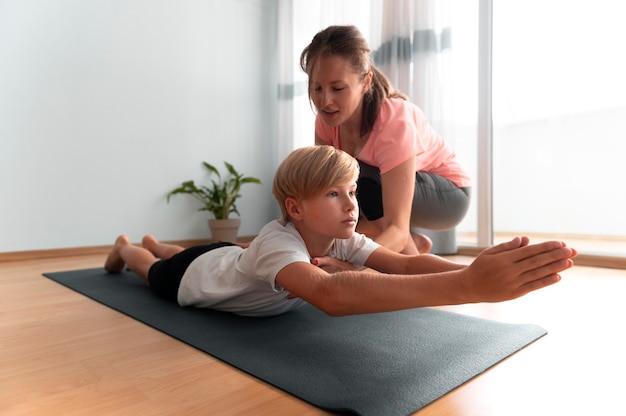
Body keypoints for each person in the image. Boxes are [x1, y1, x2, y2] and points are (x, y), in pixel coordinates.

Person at [104, 145, 576, 318]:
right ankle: (129, 249)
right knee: (157, 268)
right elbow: (332, 296)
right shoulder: (276, 242)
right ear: (296, 208)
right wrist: (468, 287)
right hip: (194, 277)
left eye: (351, 191)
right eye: (335, 194)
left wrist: (472, 266)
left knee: (199, 248)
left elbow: (404, 263)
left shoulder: (340, 234)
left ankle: (154, 242)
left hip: (228, 254)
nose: (352, 204)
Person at [300, 25, 471, 255]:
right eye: (316, 88)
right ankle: (411, 246)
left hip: (448, 196)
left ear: (365, 83)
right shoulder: (327, 119)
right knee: (333, 184)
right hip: (386, 190)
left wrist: (348, 267)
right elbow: (324, 195)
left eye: (338, 88)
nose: (325, 101)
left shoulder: (393, 121)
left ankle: (407, 251)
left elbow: (395, 227)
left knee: (362, 178)